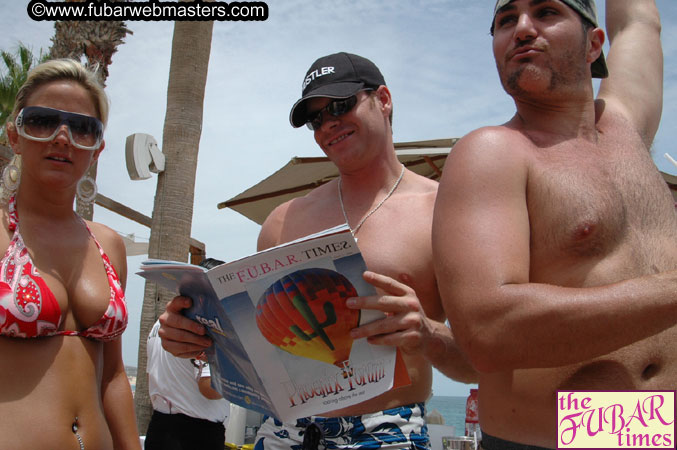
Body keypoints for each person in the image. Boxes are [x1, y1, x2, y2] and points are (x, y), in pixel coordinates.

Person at [159, 52, 477, 449]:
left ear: (384, 99)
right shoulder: (281, 221)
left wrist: (428, 333)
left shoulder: (442, 211)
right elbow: (259, 351)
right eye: (316, 119)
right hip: (284, 433)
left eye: (342, 106)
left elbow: (480, 362)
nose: (329, 124)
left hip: (386, 432)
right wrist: (195, 335)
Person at [432, 1, 671, 448]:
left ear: (593, 44)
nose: (522, 29)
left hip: (660, 430)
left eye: (546, 12)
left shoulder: (627, 127)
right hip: (555, 438)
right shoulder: (492, 151)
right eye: (506, 21)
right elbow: (488, 331)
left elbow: (640, 21)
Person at [1, 59, 140, 449]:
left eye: (83, 128)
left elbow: (113, 374)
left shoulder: (108, 244)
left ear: (96, 149)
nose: (63, 138)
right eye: (43, 120)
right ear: (15, 136)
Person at [145, 318, 230, 450]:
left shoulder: (159, 325)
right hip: (195, 435)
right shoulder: (200, 324)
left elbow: (150, 375)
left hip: (158, 427)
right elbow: (209, 387)